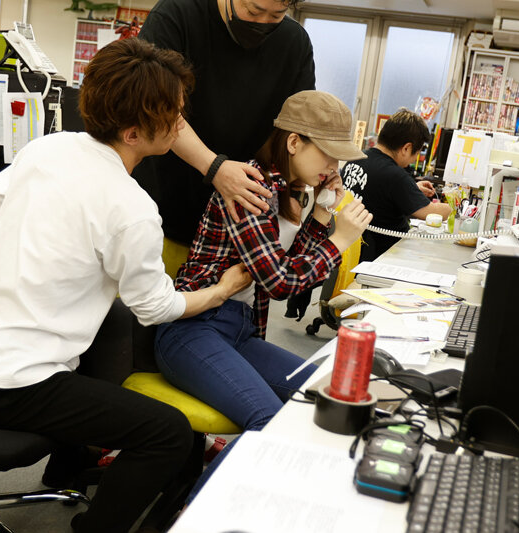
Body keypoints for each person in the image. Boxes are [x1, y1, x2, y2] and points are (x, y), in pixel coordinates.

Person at [0, 38, 251, 533]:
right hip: (9, 387)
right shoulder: (133, 209)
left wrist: (52, 252)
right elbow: (154, 307)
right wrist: (221, 290)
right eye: (174, 116)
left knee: (106, 329)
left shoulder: (48, 146)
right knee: (168, 433)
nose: (181, 124)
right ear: (133, 133)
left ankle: (66, 466)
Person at [154, 90, 373, 499]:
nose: (334, 167)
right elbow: (279, 283)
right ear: (294, 142)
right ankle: (193, 516)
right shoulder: (248, 186)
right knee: (268, 418)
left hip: (237, 332)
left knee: (326, 397)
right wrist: (340, 240)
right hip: (192, 328)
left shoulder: (292, 191)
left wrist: (322, 213)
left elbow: (295, 267)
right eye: (329, 155)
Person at [135, 0, 316, 255]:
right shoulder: (176, 15)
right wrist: (215, 168)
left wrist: (296, 193)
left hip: (242, 230)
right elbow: (157, 106)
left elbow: (298, 128)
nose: (262, 22)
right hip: (163, 214)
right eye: (253, 11)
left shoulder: (294, 42)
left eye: (276, 15)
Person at [342, 108, 452, 263]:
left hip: (352, 253)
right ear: (406, 148)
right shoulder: (394, 175)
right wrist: (454, 207)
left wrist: (412, 188)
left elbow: (377, 192)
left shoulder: (356, 159)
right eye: (416, 153)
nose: (414, 160)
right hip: (383, 258)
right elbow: (432, 213)